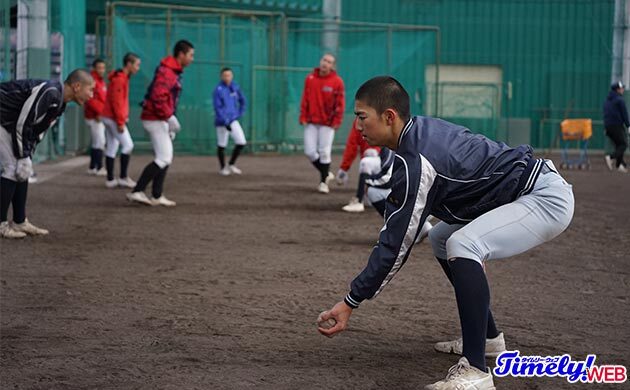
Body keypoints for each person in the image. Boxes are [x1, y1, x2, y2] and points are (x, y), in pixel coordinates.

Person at [317, 76, 575, 390]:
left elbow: (396, 244)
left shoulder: (416, 160)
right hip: (525, 191)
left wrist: (350, 301)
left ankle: (476, 372)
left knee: (464, 243)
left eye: (361, 117)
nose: (357, 126)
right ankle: (489, 339)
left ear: (389, 117)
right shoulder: (418, 135)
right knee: (441, 239)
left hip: (544, 198)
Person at [0, 70, 94, 238]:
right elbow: (23, 123)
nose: (92, 95)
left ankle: (20, 221)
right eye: (90, 90)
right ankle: (1, 225)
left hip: (8, 122)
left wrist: (27, 155)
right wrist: (22, 155)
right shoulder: (50, 92)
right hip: (5, 120)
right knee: (12, 167)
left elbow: (37, 132)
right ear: (77, 86)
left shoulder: (60, 103)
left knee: (23, 169)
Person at [127, 40, 194, 207]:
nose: (192, 58)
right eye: (191, 55)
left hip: (158, 117)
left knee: (165, 157)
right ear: (181, 54)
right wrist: (169, 117)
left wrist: (169, 119)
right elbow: (158, 97)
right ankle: (137, 190)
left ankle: (157, 195)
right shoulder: (168, 72)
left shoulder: (172, 70)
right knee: (164, 157)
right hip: (155, 118)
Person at [299, 53, 345, 193]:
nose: (325, 63)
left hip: (327, 123)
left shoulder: (337, 81)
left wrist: (337, 120)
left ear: (333, 66)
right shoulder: (310, 78)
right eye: (324, 60)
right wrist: (303, 115)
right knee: (310, 152)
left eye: (329, 62)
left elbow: (340, 104)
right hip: (312, 121)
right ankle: (326, 174)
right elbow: (305, 98)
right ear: (320, 61)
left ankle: (323, 183)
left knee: (324, 152)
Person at [101, 52, 140, 188]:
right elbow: (116, 102)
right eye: (137, 64)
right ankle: (123, 177)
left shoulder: (121, 77)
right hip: (112, 117)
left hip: (108, 116)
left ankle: (110, 179)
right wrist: (120, 121)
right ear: (129, 64)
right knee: (128, 145)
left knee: (112, 147)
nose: (138, 68)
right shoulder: (120, 79)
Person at [213, 67, 247, 176]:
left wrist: (239, 113)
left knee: (241, 142)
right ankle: (223, 168)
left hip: (233, 120)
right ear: (221, 76)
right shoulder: (218, 90)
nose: (227, 77)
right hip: (221, 122)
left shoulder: (235, 87)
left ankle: (231, 164)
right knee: (222, 144)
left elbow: (243, 101)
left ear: (232, 76)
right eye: (225, 75)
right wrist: (224, 121)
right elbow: (218, 107)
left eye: (229, 75)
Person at [84, 58, 107, 176]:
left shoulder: (101, 81)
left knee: (96, 142)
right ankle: (99, 167)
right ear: (94, 68)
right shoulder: (92, 81)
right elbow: (90, 99)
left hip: (99, 115)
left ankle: (93, 167)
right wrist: (99, 113)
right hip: (94, 116)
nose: (102, 70)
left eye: (103, 68)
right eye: (99, 68)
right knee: (100, 141)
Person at [603, 80, 629, 173]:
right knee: (623, 144)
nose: (623, 90)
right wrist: (628, 125)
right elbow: (624, 114)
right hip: (617, 126)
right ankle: (610, 157)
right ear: (617, 90)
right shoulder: (620, 100)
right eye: (621, 88)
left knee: (619, 145)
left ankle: (620, 165)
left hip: (608, 127)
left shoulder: (607, 100)